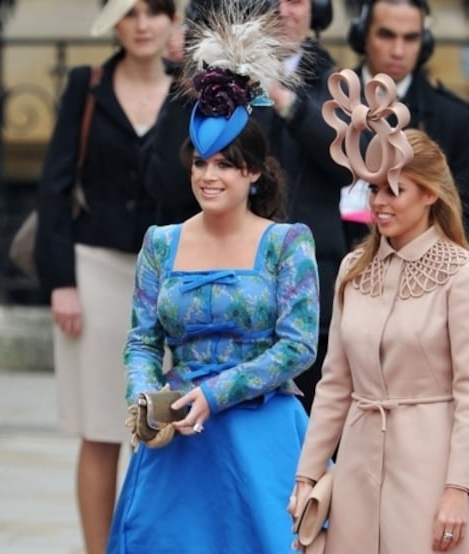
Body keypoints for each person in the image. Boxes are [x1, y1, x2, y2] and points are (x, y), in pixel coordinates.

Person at [106, 8, 319, 553]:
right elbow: (142, 341)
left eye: (225, 164)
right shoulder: (161, 242)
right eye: (200, 162)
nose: (208, 175)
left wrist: (215, 394)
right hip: (178, 438)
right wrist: (145, 399)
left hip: (261, 433)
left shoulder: (287, 243)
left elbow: (297, 347)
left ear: (252, 172)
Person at [290, 69, 469, 553]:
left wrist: (457, 490)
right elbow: (335, 383)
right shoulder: (352, 270)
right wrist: (308, 472)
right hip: (358, 467)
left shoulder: (464, 274)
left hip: (429, 468)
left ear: (430, 195)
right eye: (373, 189)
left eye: (393, 190)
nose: (378, 203)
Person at [33, 2, 189, 552]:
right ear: (113, 24)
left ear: (175, 19)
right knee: (100, 431)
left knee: (162, 431)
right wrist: (61, 282)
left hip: (172, 276)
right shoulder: (87, 83)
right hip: (94, 272)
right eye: (129, 12)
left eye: (155, 10)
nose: (143, 23)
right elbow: (53, 186)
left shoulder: (191, 87)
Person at [144, 0, 350, 414]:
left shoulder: (336, 81)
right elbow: (164, 178)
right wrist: (190, 80)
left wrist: (285, 101)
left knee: (315, 443)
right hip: (221, 291)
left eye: (294, 0)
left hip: (309, 286)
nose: (282, 10)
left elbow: (349, 165)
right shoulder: (210, 78)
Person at [344, 0, 469, 255]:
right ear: (362, 36)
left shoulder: (455, 119)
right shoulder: (325, 105)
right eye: (386, 35)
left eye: (410, 38)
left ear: (424, 44)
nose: (398, 51)